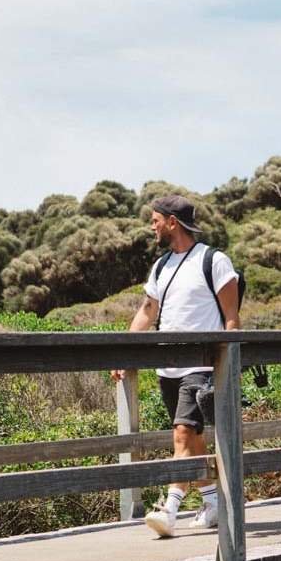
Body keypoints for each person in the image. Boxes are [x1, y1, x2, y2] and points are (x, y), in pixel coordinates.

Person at [111, 194, 239, 538]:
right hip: (166, 368)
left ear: (172, 222)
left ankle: (169, 508)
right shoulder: (161, 266)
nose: (151, 227)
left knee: (182, 433)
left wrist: (229, 365)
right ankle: (213, 503)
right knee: (191, 439)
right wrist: (124, 351)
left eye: (155, 220)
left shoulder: (214, 261)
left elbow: (231, 319)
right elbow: (148, 312)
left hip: (203, 366)